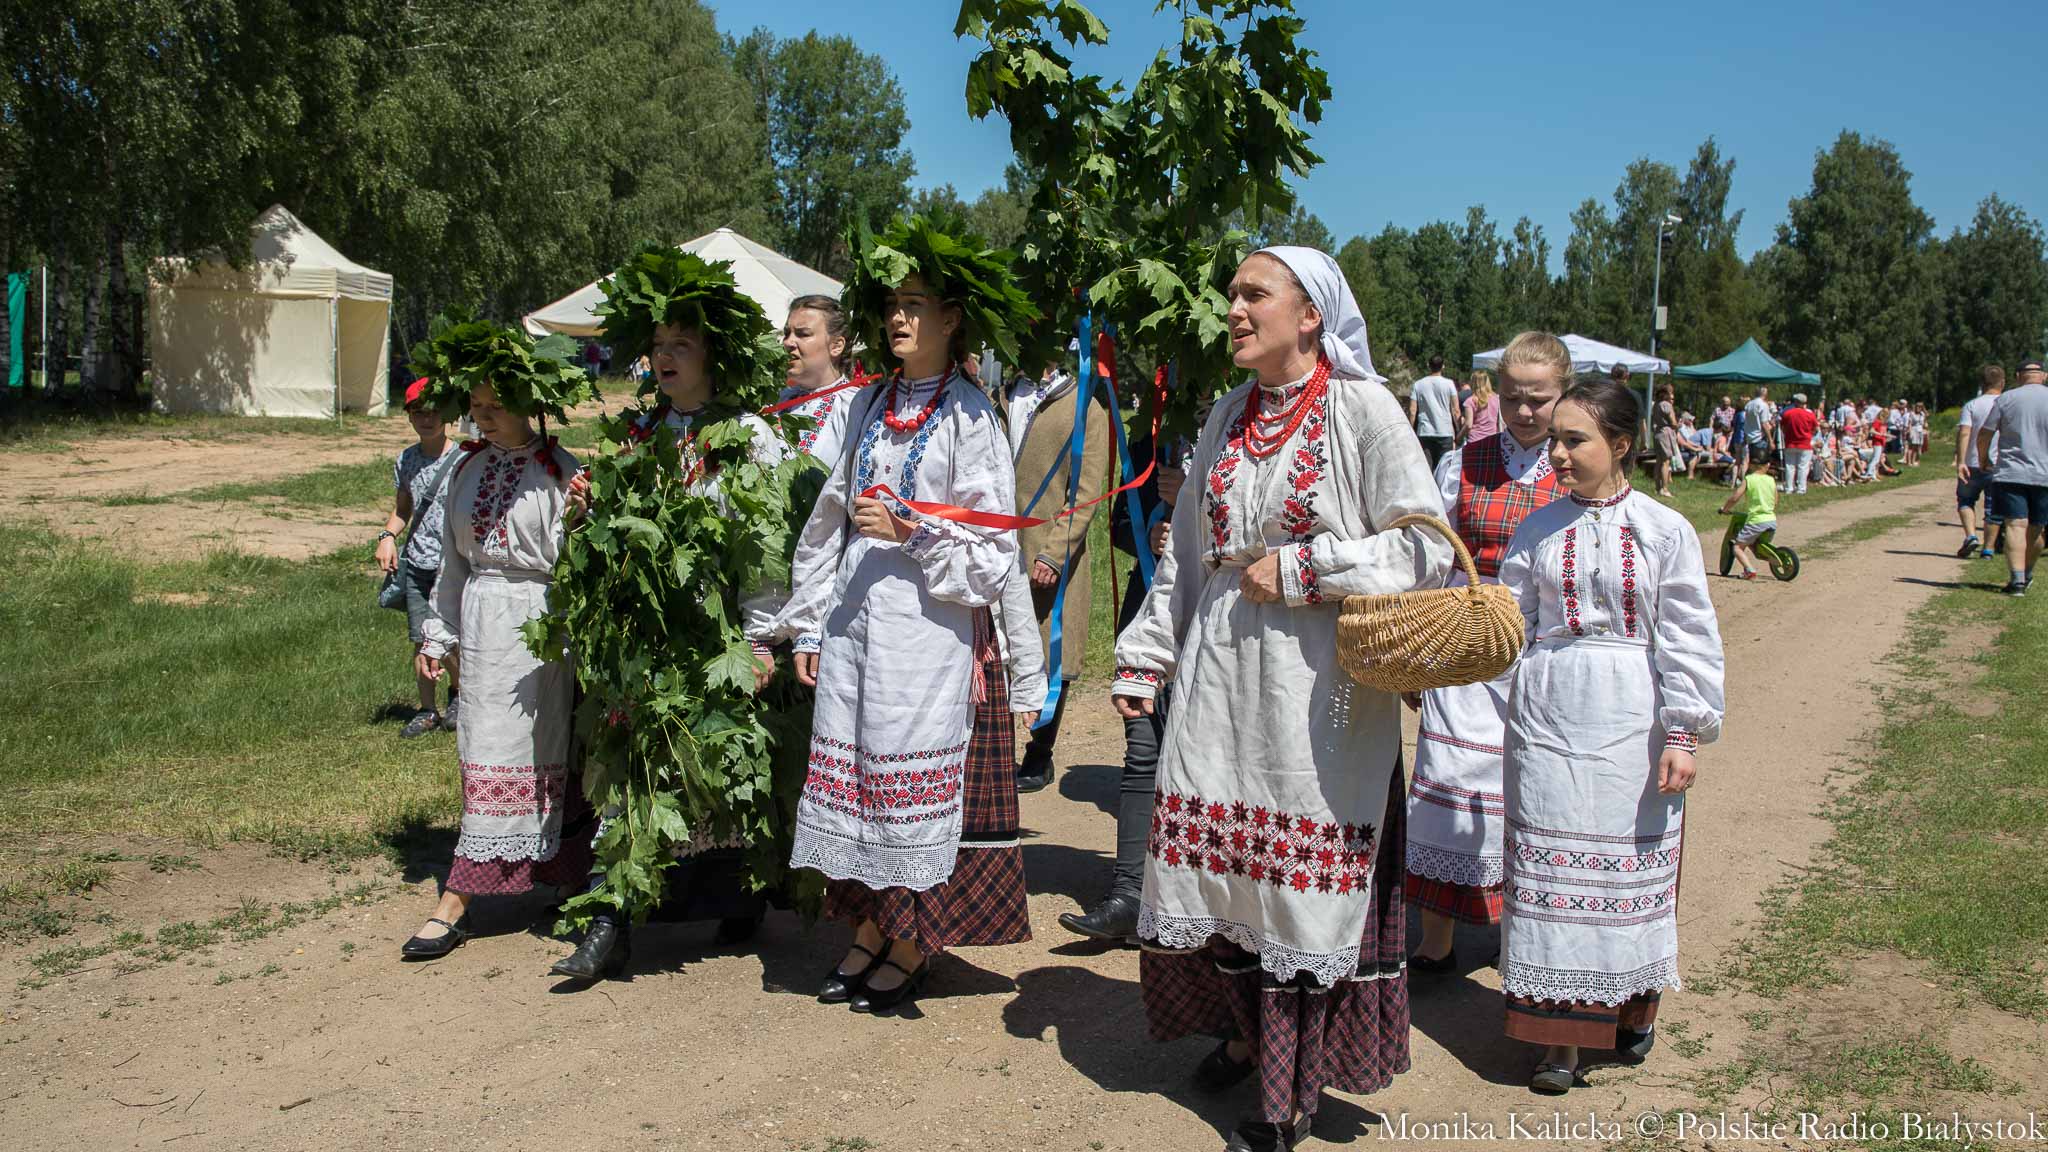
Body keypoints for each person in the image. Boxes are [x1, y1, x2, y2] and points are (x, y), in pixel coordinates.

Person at [1112, 246, 1451, 1152]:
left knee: (1301, 890)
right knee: (1224, 870)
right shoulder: (1225, 414)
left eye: (1253, 293)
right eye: (1232, 292)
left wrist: (1306, 566)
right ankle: (1242, 1034)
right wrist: (1147, 657)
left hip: (1320, 685)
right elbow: (1187, 555)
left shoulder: (1364, 410)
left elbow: (1425, 551)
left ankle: (1288, 1095)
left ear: (1310, 316)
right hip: (1224, 675)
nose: (1233, 306)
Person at [773, 215, 1035, 1016]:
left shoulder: (970, 416)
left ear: (951, 319)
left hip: (927, 630)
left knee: (904, 774)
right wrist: (811, 622)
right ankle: (870, 929)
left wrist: (915, 533)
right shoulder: (866, 405)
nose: (898, 317)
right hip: (857, 625)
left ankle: (915, 937)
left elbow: (992, 555)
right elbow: (826, 517)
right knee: (856, 772)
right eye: (892, 303)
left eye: (916, 303)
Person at [548, 248, 807, 980]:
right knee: (632, 765)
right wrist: (586, 512)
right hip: (648, 636)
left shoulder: (750, 437)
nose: (664, 358)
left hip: (720, 630)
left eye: (680, 345)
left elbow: (763, 550)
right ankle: (609, 922)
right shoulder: (638, 435)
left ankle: (737, 897)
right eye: (657, 346)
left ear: (712, 353)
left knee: (717, 767)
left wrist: (761, 640)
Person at [1495, 377, 1725, 1093]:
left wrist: (1682, 732)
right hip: (1548, 715)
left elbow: (1687, 635)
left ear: (1620, 445)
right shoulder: (1536, 529)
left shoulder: (1663, 530)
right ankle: (1559, 1043)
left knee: (1626, 872)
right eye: (1554, 440)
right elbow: (1511, 623)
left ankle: (1632, 1008)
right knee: (1549, 878)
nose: (1556, 453)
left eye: (1574, 440)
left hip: (1631, 717)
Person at [401, 320, 591, 960]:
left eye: (494, 404)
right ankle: (466, 888)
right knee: (482, 742)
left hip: (540, 624)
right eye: (475, 406)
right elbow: (453, 565)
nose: (481, 416)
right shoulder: (466, 470)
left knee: (540, 748)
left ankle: (549, 879)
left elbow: (579, 564)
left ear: (527, 402)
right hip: (481, 617)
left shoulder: (563, 472)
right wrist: (439, 631)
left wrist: (585, 516)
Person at [1404, 331, 1568, 977]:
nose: (1526, 412)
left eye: (1540, 399)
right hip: (1464, 648)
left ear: (1562, 397)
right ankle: (1435, 943)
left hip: (1538, 651)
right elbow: (1428, 554)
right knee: (1445, 783)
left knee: (1527, 792)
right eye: (1515, 397)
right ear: (1496, 393)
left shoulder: (1575, 467)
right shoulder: (1461, 463)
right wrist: (1419, 651)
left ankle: (1518, 937)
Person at [1059, 433, 1187, 942]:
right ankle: (1129, 894)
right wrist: (1151, 532)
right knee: (1142, 749)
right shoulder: (1154, 433)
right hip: (1148, 607)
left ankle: (1183, 902)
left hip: (1213, 615)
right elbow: (1118, 525)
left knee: (1197, 758)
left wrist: (1191, 501)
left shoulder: (1243, 422)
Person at [1009, 349, 1111, 794]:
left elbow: (1087, 490)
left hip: (1046, 549)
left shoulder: (1084, 403)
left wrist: (1055, 551)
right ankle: (991, 751)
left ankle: (1039, 752)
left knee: (1052, 650)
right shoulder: (996, 395)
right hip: (993, 550)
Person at [378, 377, 462, 739]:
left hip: (453, 565)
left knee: (452, 639)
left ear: (447, 415)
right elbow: (403, 509)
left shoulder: (464, 459)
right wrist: (387, 537)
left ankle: (459, 698)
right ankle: (428, 709)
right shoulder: (407, 459)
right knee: (420, 639)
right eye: (418, 412)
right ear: (409, 417)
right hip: (416, 564)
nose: (427, 419)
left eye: (433, 412)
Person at [1980, 358, 2048, 597]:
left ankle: (2016, 581)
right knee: (2038, 528)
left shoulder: (2006, 398)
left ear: (2018, 376)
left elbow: (1985, 433)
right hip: (2045, 475)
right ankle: (2027, 573)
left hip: (2011, 472)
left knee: (2016, 525)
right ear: (2044, 376)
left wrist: (1983, 459)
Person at [779, 293, 857, 462]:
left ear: (836, 346)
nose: (788, 342)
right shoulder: (777, 400)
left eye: (803, 334)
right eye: (787, 333)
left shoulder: (854, 409)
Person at [1957, 364, 2007, 559]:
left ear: (1982, 383)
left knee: (1965, 500)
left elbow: (1964, 433)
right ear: (2002, 383)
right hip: (1998, 464)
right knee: (1992, 507)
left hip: (1972, 462)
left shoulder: (1972, 405)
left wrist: (1961, 460)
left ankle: (1970, 535)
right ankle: (1988, 548)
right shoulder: (2006, 403)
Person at [1717, 455, 1779, 580]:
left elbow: (1735, 497)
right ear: (1767, 465)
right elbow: (1776, 500)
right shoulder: (1771, 480)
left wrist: (1725, 509)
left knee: (1738, 547)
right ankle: (1771, 558)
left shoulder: (1749, 479)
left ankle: (1749, 570)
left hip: (1756, 521)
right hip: (1771, 520)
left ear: (1751, 465)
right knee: (1755, 543)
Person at [1410, 354, 1459, 469]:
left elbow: (1413, 411)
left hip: (1425, 431)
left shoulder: (1418, 385)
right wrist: (1457, 431)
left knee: (1426, 468)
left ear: (1428, 365)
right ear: (1443, 366)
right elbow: (1456, 410)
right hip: (1444, 431)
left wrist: (1412, 430)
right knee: (1443, 468)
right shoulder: (1449, 384)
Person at [1778, 393, 1818, 495]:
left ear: (1795, 402)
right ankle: (1801, 488)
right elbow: (1815, 429)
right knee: (1803, 466)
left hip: (1790, 443)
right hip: (1805, 443)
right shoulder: (1810, 414)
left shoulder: (1787, 414)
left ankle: (1789, 488)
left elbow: (1782, 428)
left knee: (1790, 466)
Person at [1650, 382, 1681, 498]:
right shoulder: (1667, 405)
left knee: (1659, 461)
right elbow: (1673, 422)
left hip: (1658, 432)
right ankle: (1665, 488)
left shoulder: (1656, 404)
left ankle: (1657, 487)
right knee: (1665, 462)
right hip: (1665, 433)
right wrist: (1677, 425)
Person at [1463, 370, 1501, 443]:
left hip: (1475, 440)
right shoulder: (1497, 399)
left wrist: (1459, 436)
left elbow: (1468, 424)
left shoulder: (1470, 401)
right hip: (1492, 440)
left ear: (1473, 383)